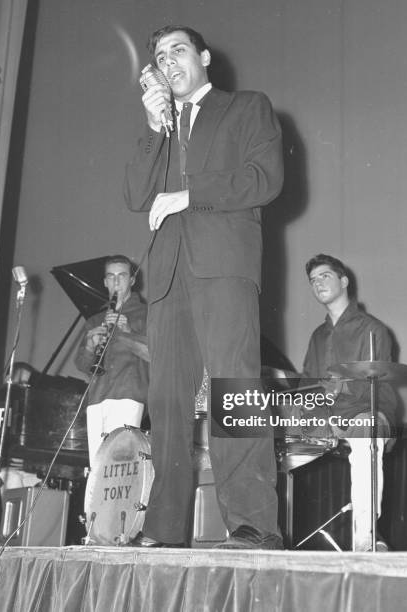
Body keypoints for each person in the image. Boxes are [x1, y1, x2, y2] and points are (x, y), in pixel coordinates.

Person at [124, 25, 284, 548]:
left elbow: (266, 178)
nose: (169, 61)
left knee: (234, 392)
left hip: (224, 268)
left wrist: (190, 194)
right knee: (167, 402)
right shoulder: (163, 126)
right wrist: (153, 127)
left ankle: (254, 527)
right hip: (169, 275)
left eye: (178, 50)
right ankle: (165, 528)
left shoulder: (246, 107)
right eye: (160, 56)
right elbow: (134, 194)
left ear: (205, 57)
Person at [302, 254, 397, 551]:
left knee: (364, 430)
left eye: (325, 276)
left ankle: (366, 537)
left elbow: (376, 386)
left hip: (366, 412)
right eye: (313, 280)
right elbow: (308, 384)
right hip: (327, 420)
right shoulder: (317, 336)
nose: (318, 283)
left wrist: (338, 394)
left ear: (344, 281)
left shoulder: (373, 329)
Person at [74, 255, 148, 467]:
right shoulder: (95, 320)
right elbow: (81, 364)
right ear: (105, 282)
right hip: (97, 399)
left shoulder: (146, 314)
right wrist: (90, 346)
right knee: (98, 468)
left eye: (122, 276)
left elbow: (154, 355)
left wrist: (126, 332)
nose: (116, 283)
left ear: (132, 281)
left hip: (128, 395)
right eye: (111, 277)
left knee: (120, 467)